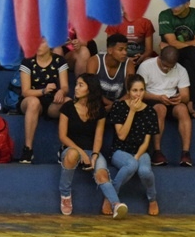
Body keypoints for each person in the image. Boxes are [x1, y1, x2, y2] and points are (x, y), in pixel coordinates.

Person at [57, 74, 118, 217]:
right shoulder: (68, 107)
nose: (76, 88)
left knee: (102, 174)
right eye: (76, 84)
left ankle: (116, 204)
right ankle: (65, 195)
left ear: (90, 89)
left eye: (81, 85)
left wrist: (95, 155)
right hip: (71, 149)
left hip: (92, 150)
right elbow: (62, 136)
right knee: (72, 154)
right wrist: (82, 153)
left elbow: (98, 137)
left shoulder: (99, 110)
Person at [105, 74, 161, 216]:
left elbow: (146, 142)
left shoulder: (150, 112)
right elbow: (121, 135)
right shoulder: (119, 106)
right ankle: (111, 197)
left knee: (145, 171)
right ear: (128, 91)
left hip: (141, 151)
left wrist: (137, 156)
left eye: (141, 90)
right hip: (120, 150)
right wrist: (132, 111)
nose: (138, 94)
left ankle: (152, 199)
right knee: (131, 165)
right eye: (135, 90)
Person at [136, 46, 192, 167]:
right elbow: (139, 92)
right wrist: (158, 98)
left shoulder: (181, 70)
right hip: (151, 98)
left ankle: (185, 153)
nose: (167, 69)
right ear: (159, 58)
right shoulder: (146, 66)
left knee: (183, 109)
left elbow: (186, 96)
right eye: (164, 65)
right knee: (160, 109)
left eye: (171, 67)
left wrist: (180, 98)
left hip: (171, 99)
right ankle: (157, 152)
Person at [17, 37, 70, 163]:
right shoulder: (27, 61)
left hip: (51, 101)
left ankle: (65, 147)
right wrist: (43, 91)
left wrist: (61, 92)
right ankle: (28, 149)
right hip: (30, 98)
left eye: (41, 42)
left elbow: (65, 87)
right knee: (33, 102)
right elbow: (25, 91)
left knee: (68, 102)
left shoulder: (59, 61)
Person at [86, 33, 132, 109]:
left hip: (121, 105)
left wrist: (115, 106)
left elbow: (130, 91)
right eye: (120, 49)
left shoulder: (129, 64)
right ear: (110, 50)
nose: (125, 53)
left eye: (126, 49)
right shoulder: (94, 61)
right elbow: (92, 89)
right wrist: (112, 106)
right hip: (98, 103)